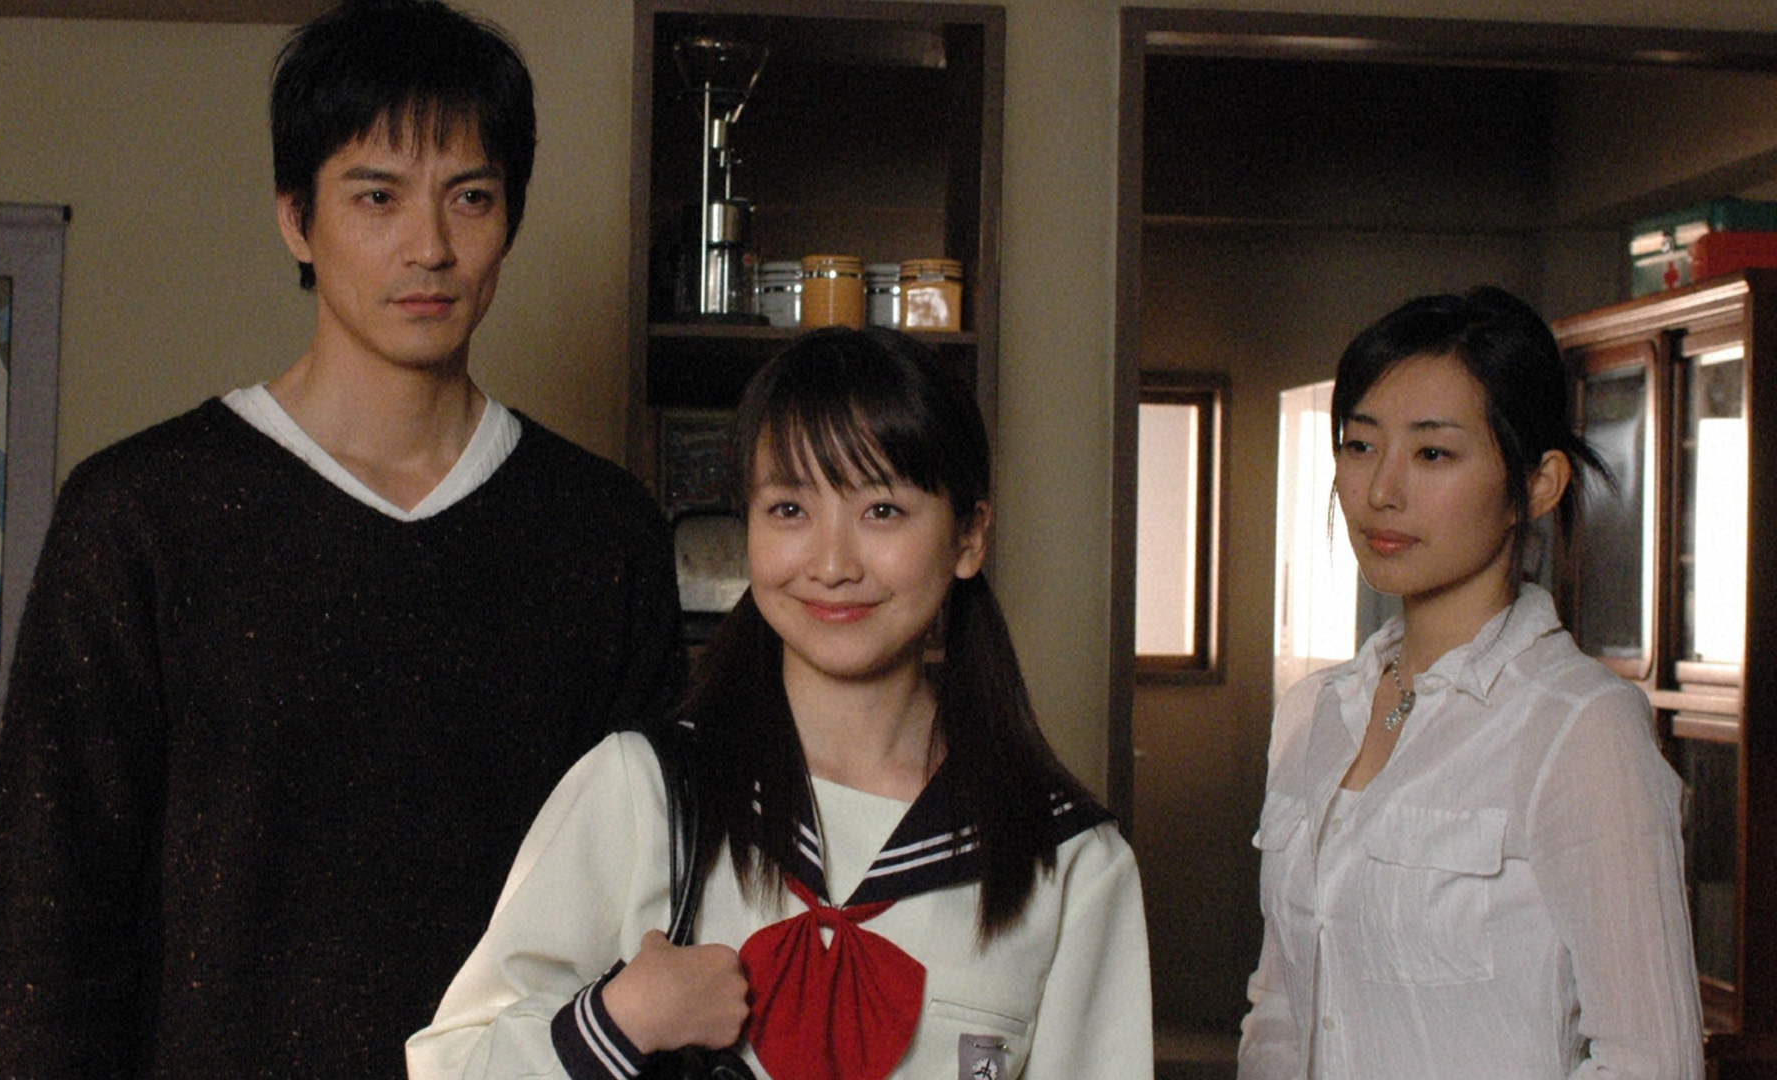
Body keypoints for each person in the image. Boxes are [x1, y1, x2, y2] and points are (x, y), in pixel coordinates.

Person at [0, 2, 687, 1076]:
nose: (431, 247)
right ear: (295, 219)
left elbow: (652, 905)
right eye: (377, 196)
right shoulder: (140, 514)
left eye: (471, 197)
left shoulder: (602, 532)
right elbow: (53, 928)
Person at [406, 326, 1154, 1080]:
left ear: (968, 537)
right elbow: (450, 1066)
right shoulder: (642, 791)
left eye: (882, 510)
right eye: (790, 509)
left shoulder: (1070, 863)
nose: (831, 564)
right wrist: (619, 1020)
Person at [1238, 286, 1703, 1080]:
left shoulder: (1580, 727)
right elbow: (1281, 1012)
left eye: (1433, 454)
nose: (1381, 491)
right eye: (1360, 445)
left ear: (1539, 483)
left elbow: (1650, 1060)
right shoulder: (1315, 712)